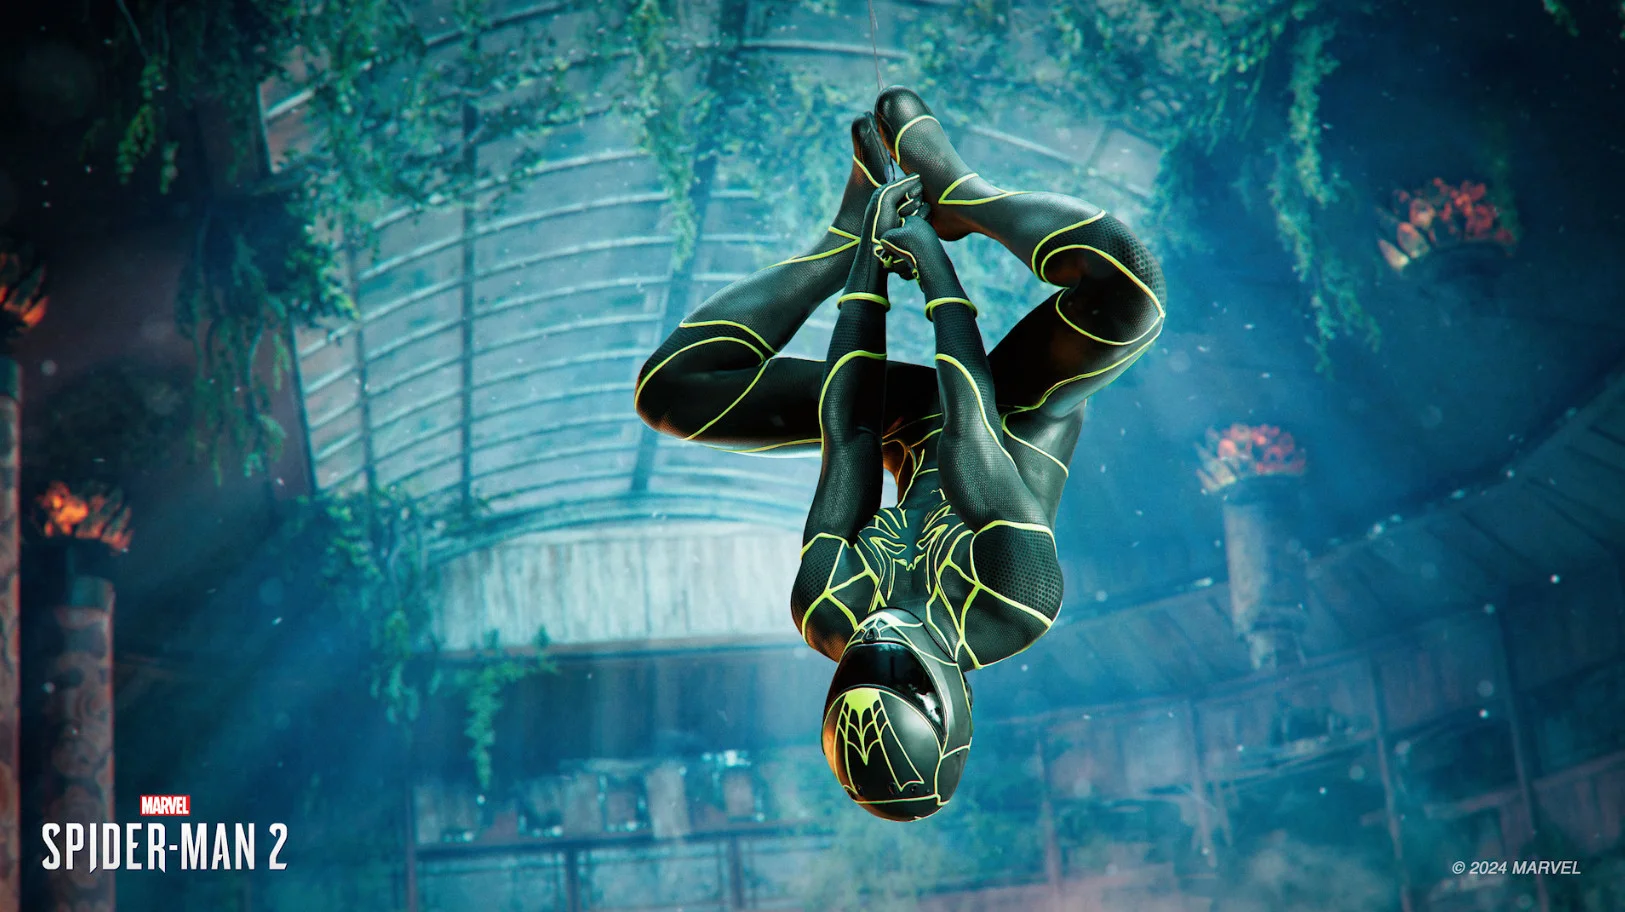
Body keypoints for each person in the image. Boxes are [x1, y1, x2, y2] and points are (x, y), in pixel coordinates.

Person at [634, 87, 1165, 820]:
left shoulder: (828, 607)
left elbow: (849, 433)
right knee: (1130, 288)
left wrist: (867, 263)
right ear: (948, 698)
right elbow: (973, 438)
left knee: (670, 391)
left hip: (906, 427)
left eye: (857, 667)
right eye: (899, 672)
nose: (877, 642)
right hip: (1014, 412)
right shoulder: (1014, 603)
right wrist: (935, 267)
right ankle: (964, 196)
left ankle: (842, 231)